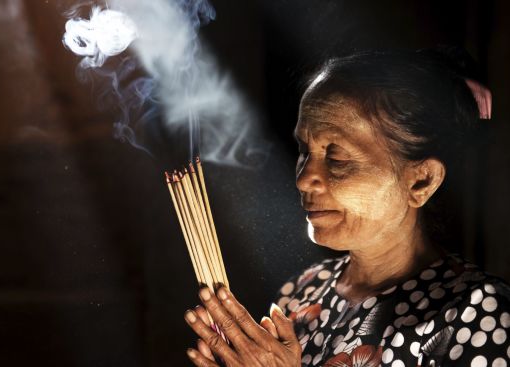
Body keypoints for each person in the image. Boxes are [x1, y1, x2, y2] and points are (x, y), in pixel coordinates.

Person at [183, 48, 509, 367]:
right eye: (304, 150)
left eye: (337, 158)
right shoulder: (302, 291)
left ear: (421, 181)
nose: (304, 179)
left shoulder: (477, 311)